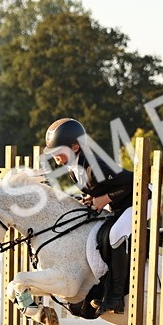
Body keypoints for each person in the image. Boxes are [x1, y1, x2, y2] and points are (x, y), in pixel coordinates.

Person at [44, 118, 133, 315]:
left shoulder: (95, 167)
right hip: (120, 205)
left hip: (142, 199)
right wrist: (92, 198)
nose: (54, 156)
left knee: (115, 234)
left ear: (75, 147)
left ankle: (116, 297)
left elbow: (136, 183)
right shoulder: (74, 169)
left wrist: (105, 198)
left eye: (57, 150)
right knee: (99, 232)